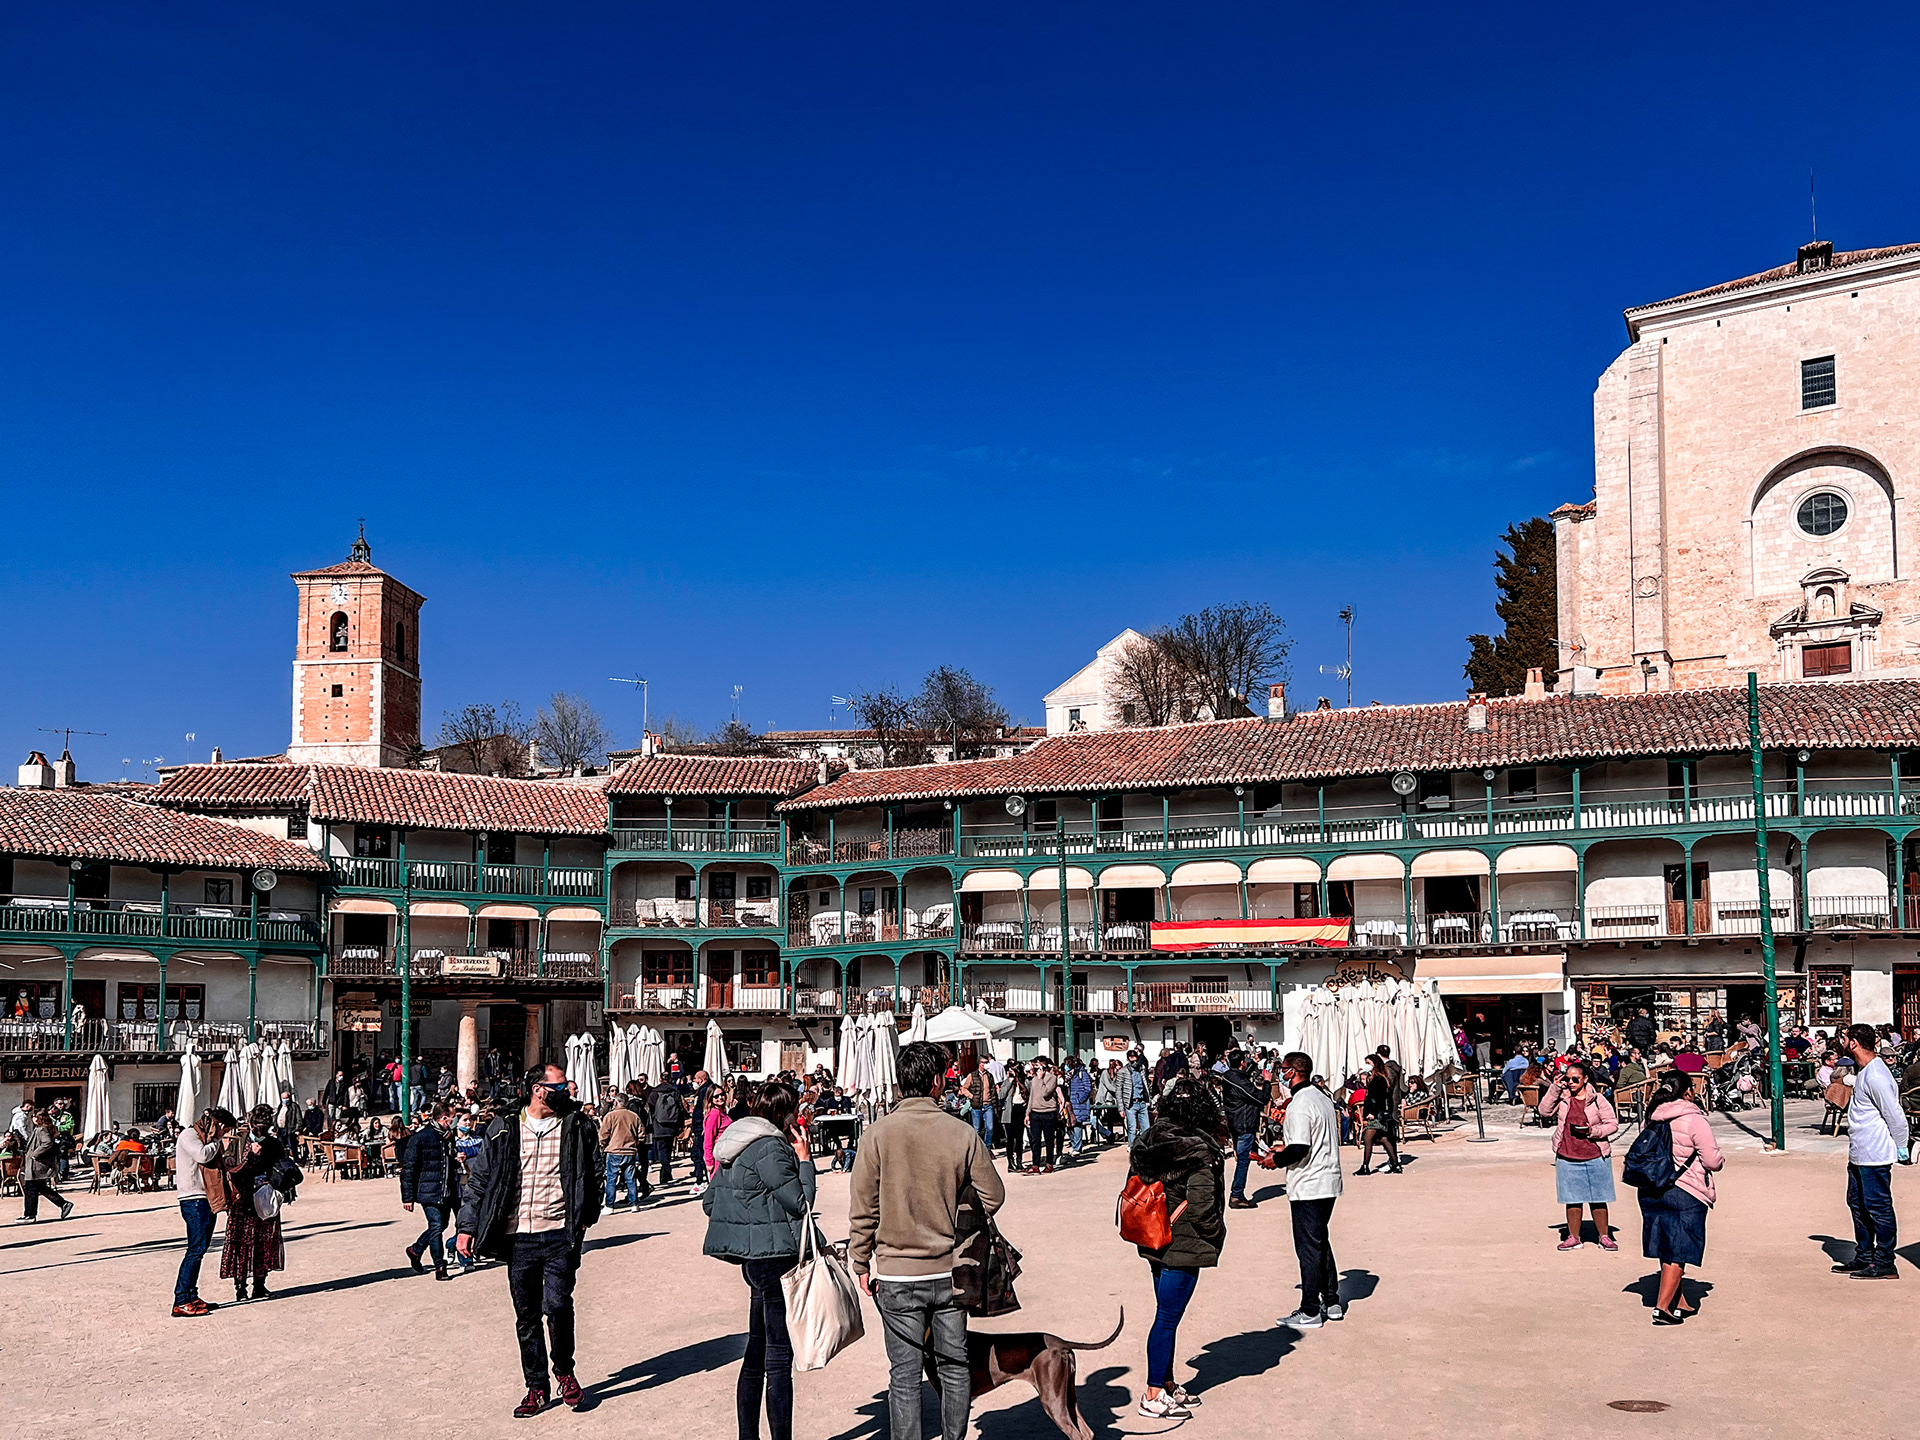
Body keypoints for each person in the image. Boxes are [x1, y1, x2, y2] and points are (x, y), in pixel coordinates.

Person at [848, 1041, 1005, 1440]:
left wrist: (860, 1261)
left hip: (897, 1274)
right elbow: (993, 1196)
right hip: (951, 1272)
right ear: (937, 1080)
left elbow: (863, 1208)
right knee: (954, 1368)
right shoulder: (961, 1133)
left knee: (904, 1375)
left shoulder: (876, 1134)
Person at [455, 1063, 605, 1417]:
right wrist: (466, 1226)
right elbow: (480, 1179)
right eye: (559, 1086)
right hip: (518, 1236)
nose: (567, 1090)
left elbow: (595, 1172)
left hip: (560, 1233)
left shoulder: (577, 1125)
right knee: (527, 1315)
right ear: (538, 1089)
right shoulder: (504, 1126)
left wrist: (586, 1216)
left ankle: (564, 1372)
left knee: (558, 1305)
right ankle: (536, 1386)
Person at [703, 1080, 816, 1440]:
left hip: (752, 1261)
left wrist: (751, 1214)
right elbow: (801, 1203)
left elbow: (710, 1202)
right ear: (785, 1113)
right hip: (776, 1257)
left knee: (755, 1352)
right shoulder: (771, 1147)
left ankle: (747, 1436)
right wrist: (805, 1161)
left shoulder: (735, 1142)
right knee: (778, 1357)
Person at [1129, 1076, 1227, 1420]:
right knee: (1167, 1318)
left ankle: (1167, 1382)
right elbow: (1202, 1206)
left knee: (1166, 1314)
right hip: (1183, 1243)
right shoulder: (1199, 1150)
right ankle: (1154, 1392)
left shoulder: (1148, 1139)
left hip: (1153, 1234)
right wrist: (1216, 1233)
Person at [1639, 1069, 1724, 1322]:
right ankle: (1663, 1308)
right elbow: (1712, 1160)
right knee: (1679, 1249)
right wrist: (1720, 1159)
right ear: (1687, 1092)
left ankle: (1680, 1301)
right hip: (1685, 1190)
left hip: (1652, 1188)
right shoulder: (1694, 1119)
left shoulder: (1652, 1117)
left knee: (1666, 1246)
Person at [1271, 1051, 1344, 1330]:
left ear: (1292, 1071)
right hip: (1328, 1179)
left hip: (1309, 1184)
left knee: (1309, 1248)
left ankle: (1310, 1309)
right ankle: (1332, 1300)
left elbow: (1300, 1148)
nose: (1281, 1074)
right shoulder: (1321, 1096)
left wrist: (1276, 1159)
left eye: (1283, 1069)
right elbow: (1311, 1140)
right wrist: (1284, 1149)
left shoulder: (1300, 1103)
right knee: (1320, 1241)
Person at [1839, 1021, 1911, 1280]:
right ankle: (1865, 1254)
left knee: (1878, 1207)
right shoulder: (1867, 1071)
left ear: (1854, 1043)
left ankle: (1884, 1261)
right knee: (1857, 1204)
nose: (1842, 1042)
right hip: (1860, 1152)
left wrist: (1902, 1146)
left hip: (1875, 1154)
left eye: (1844, 1038)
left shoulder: (1877, 1075)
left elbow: (1895, 1115)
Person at [1539, 1058, 1619, 1251]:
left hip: (1595, 1154)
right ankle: (1574, 1237)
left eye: (1575, 1079)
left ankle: (1604, 1236)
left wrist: (1593, 1131)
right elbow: (1544, 1111)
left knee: (1598, 1198)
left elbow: (1612, 1124)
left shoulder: (1598, 1099)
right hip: (1567, 1153)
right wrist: (1555, 1088)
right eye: (1568, 1079)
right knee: (1572, 1198)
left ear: (1585, 1079)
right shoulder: (1563, 1097)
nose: (1571, 1082)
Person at [172, 1107, 235, 1316]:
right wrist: (217, 1140)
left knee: (200, 1249)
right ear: (219, 1125)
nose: (224, 1135)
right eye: (225, 1130)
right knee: (195, 1249)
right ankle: (182, 1299)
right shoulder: (189, 1135)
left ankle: (191, 1295)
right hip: (194, 1199)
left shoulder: (205, 1139)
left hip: (205, 1199)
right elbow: (202, 1155)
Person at [221, 1103, 287, 1302]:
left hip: (259, 1199)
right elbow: (230, 1159)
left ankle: (255, 1285)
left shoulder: (271, 1144)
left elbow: (281, 1169)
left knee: (258, 1242)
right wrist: (231, 1159)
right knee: (247, 1242)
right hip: (247, 1199)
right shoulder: (241, 1140)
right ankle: (244, 1287)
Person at [402, 1101, 461, 1281]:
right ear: (444, 1118)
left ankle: (416, 1249)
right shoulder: (420, 1138)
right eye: (452, 1118)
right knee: (436, 1226)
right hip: (428, 1190)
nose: (454, 1121)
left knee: (441, 1225)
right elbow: (408, 1169)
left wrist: (456, 1159)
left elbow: (446, 1161)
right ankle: (440, 1267)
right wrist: (407, 1197)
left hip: (446, 1189)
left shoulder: (448, 1136)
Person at [1219, 1050, 1266, 1207]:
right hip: (1244, 1123)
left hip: (1234, 1121)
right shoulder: (1237, 1081)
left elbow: (1242, 1076)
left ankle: (1237, 1194)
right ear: (1241, 1063)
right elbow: (1260, 1098)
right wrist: (1266, 1082)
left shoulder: (1228, 1075)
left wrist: (1253, 1064)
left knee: (1242, 1157)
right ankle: (1237, 1195)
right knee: (1243, 1160)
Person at [598, 1089, 647, 1212]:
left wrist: (603, 1145)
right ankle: (634, 1204)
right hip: (629, 1151)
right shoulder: (634, 1116)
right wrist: (634, 1144)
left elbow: (603, 1134)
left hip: (614, 1150)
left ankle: (609, 1205)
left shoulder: (610, 1116)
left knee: (611, 1180)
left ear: (615, 1102)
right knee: (631, 1179)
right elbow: (642, 1134)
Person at [18, 1111, 71, 1225]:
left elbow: (47, 1143)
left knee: (31, 1189)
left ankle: (30, 1214)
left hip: (37, 1164)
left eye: (34, 1116)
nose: (33, 1118)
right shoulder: (42, 1128)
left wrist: (34, 1154)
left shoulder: (42, 1129)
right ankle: (63, 1204)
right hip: (38, 1164)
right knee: (41, 1188)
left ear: (39, 1118)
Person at [1355, 1053, 1404, 1177]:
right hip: (1379, 1113)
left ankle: (1365, 1166)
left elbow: (1378, 1098)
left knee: (1368, 1139)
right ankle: (1395, 1164)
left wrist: (1372, 1112)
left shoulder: (1378, 1078)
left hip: (1376, 1114)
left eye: (1368, 1063)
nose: (1366, 1065)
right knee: (1383, 1138)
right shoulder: (1379, 1077)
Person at [649, 1077, 687, 1187]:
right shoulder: (675, 1092)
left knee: (661, 1150)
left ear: (660, 1079)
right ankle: (666, 1174)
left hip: (658, 1125)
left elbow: (650, 1109)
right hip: (672, 1125)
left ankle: (666, 1170)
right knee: (668, 1150)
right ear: (670, 1080)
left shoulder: (654, 1093)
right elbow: (680, 1109)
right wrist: (680, 1125)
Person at [1026, 1056, 1061, 1173]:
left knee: (1049, 1139)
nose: (1035, 1068)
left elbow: (1045, 1093)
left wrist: (1041, 1079)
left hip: (1048, 1112)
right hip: (1035, 1113)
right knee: (1035, 1140)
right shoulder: (1034, 1079)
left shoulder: (1052, 1078)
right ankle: (1035, 1165)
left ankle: (1049, 1164)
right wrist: (1028, 1113)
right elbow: (1032, 1096)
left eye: (1037, 1065)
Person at [689, 1069, 717, 1196]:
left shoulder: (705, 1090)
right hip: (700, 1126)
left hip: (701, 1127)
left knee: (698, 1154)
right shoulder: (706, 1089)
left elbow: (704, 1109)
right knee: (698, 1153)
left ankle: (701, 1181)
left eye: (695, 1079)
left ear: (701, 1079)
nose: (694, 1081)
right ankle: (702, 1179)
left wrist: (700, 1126)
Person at [960, 1060, 997, 1148]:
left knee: (990, 1128)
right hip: (976, 1106)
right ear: (980, 1064)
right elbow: (964, 1088)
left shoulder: (989, 1076)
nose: (987, 1064)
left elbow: (993, 1090)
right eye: (985, 1062)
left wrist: (994, 1102)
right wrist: (971, 1096)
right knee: (977, 1129)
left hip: (988, 1104)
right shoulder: (972, 1075)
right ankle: (978, 1148)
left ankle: (987, 1147)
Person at [1000, 1059, 1028, 1173]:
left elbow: (1029, 1093)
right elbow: (1001, 1095)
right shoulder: (1007, 1082)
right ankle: (1010, 1163)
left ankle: (1019, 1161)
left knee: (1019, 1138)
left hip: (1021, 1109)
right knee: (1010, 1139)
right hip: (1009, 1111)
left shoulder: (1024, 1081)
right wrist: (1009, 1081)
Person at [1066, 1057, 1095, 1156]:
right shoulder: (1070, 1075)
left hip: (1078, 1103)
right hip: (1070, 1102)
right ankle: (1075, 1144)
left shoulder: (1082, 1074)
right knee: (1069, 1126)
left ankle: (1077, 1147)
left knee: (1077, 1125)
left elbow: (1087, 1088)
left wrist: (1080, 1099)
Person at [1122, 1051, 1152, 1145]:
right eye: (1131, 1058)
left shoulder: (1142, 1069)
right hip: (1131, 1103)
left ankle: (1143, 1146)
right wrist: (1121, 1107)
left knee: (1146, 1128)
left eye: (1135, 1058)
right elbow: (1119, 1090)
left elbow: (1145, 1085)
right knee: (1132, 1128)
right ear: (1128, 1059)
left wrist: (1148, 1099)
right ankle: (1132, 1146)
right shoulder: (1124, 1071)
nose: (1134, 1061)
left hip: (1142, 1102)